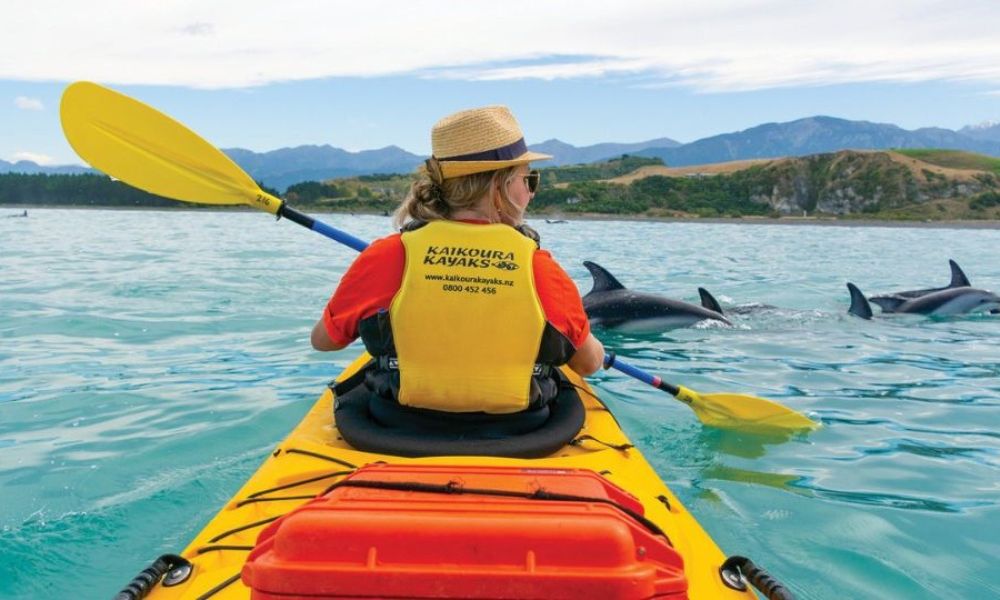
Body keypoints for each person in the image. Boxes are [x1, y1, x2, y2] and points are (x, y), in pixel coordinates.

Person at [311, 105, 604, 417]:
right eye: (529, 180)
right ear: (500, 186)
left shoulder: (386, 256)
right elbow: (588, 363)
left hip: (398, 422)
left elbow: (323, 341)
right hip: (516, 430)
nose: (531, 193)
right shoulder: (540, 268)